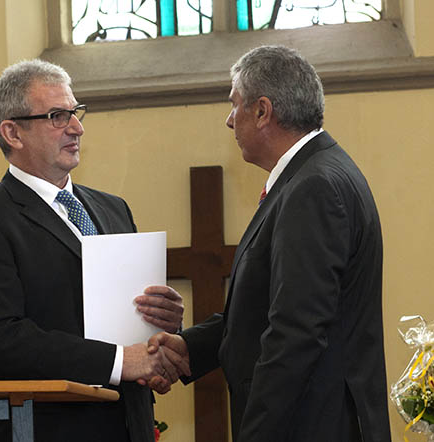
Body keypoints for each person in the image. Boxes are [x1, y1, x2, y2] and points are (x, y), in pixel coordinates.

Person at [148, 45, 391, 441]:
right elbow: (269, 308)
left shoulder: (313, 187)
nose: (229, 121)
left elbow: (296, 332)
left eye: (235, 105)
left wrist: (255, 434)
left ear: (263, 111)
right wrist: (190, 349)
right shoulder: (313, 174)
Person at [0, 59, 185, 442]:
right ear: (13, 133)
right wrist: (122, 362)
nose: (77, 127)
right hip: (41, 429)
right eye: (58, 116)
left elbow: (127, 318)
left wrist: (164, 328)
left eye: (75, 113)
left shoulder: (113, 208)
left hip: (128, 426)